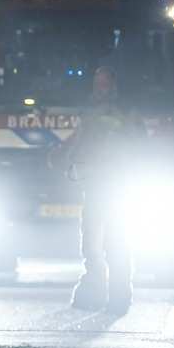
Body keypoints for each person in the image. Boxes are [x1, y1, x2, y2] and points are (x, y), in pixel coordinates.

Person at [61, 66, 142, 312]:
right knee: (92, 244)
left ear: (113, 83)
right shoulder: (89, 112)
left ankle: (118, 298)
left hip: (116, 186)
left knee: (116, 242)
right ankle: (93, 294)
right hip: (95, 186)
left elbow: (138, 145)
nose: (100, 84)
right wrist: (67, 162)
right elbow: (81, 142)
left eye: (104, 80)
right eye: (97, 80)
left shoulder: (127, 112)